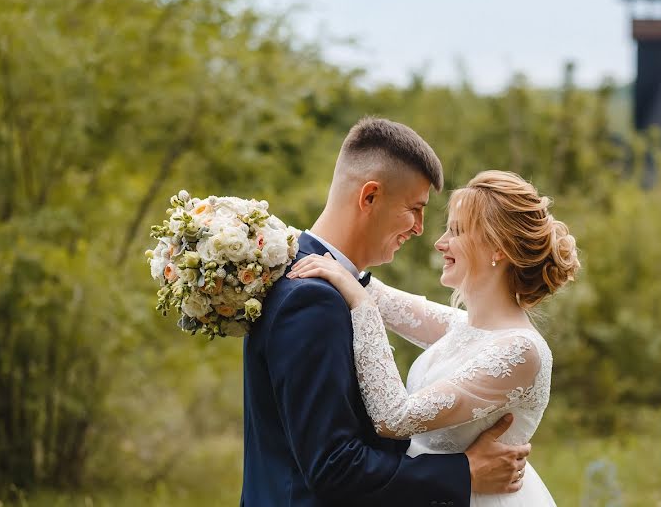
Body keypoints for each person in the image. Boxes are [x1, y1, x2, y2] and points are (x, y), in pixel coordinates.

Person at [240, 118, 530, 506]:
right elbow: (333, 466)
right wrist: (464, 472)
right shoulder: (314, 298)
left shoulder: (304, 269)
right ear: (370, 197)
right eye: (415, 209)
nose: (421, 230)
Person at [288, 170, 580, 506]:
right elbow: (378, 294)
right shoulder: (466, 327)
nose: (440, 242)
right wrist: (262, 236)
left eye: (456, 231)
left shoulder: (520, 350)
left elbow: (394, 418)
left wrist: (360, 304)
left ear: (497, 248)